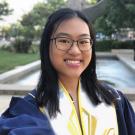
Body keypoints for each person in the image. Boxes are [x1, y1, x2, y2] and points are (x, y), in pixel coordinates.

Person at [0, 8, 135, 135]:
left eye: (83, 41)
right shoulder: (27, 112)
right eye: (64, 40)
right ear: (47, 46)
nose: (75, 51)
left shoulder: (115, 100)